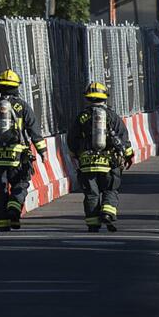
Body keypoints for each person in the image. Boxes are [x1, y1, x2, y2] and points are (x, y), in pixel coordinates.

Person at [0, 69, 47, 231]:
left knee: (0, 188)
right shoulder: (22, 106)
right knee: (21, 183)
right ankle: (14, 207)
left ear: (0, 87)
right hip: (17, 155)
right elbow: (34, 131)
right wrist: (42, 152)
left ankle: (2, 224)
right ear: (16, 87)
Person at [66, 81, 134, 232]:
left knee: (91, 193)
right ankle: (108, 213)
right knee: (110, 189)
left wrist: (76, 154)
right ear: (105, 97)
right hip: (109, 163)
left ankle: (93, 224)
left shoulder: (81, 117)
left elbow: (72, 139)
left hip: (87, 163)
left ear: (87, 98)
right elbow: (124, 138)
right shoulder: (112, 116)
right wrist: (129, 156)